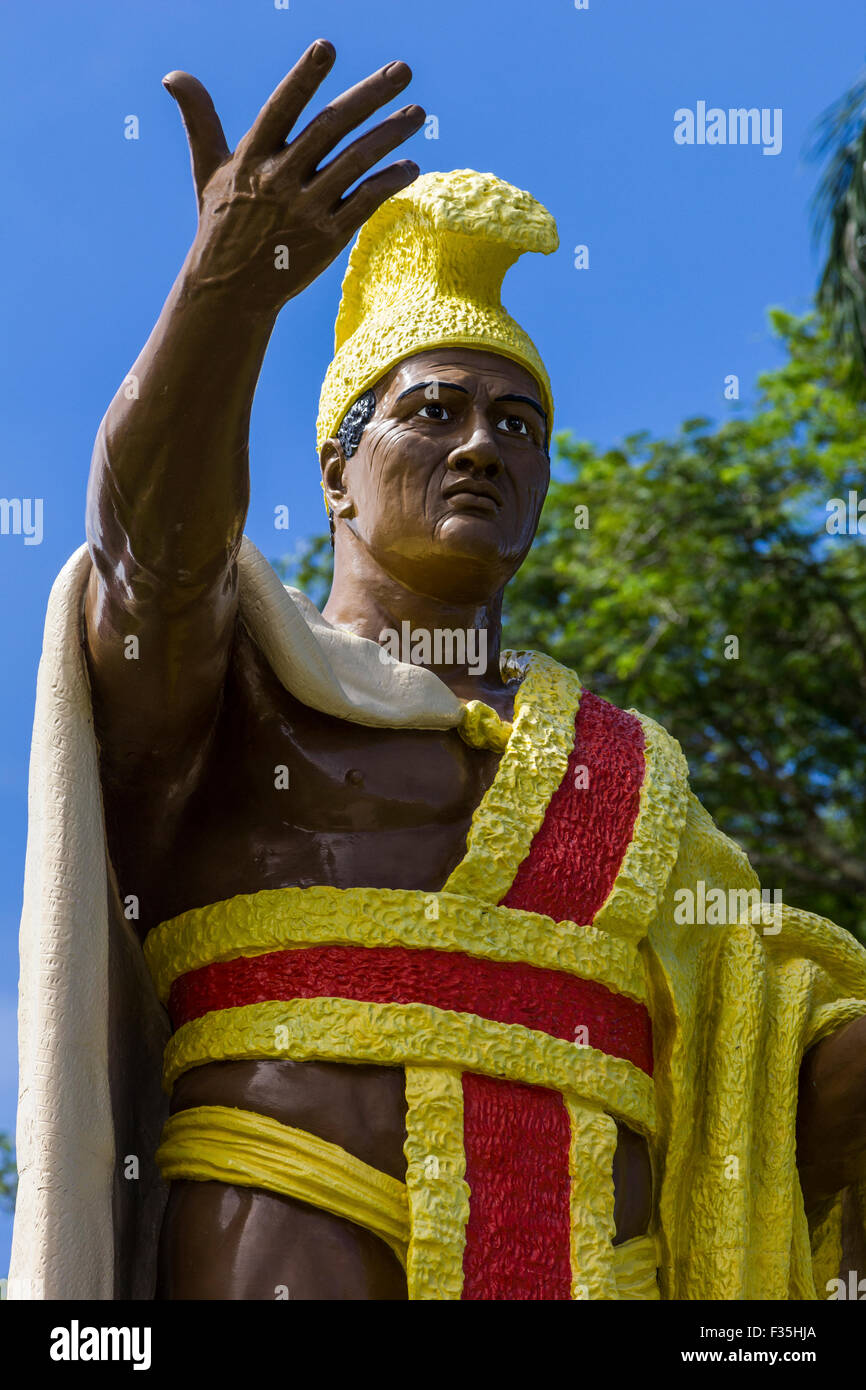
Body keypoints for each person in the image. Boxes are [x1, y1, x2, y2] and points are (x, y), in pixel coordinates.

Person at [10, 39, 866, 1301]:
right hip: (290, 1223)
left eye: (515, 427)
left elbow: (766, 1060)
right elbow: (149, 556)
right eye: (432, 412)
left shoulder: (628, 774)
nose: (479, 447)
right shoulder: (246, 665)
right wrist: (228, 295)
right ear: (335, 474)